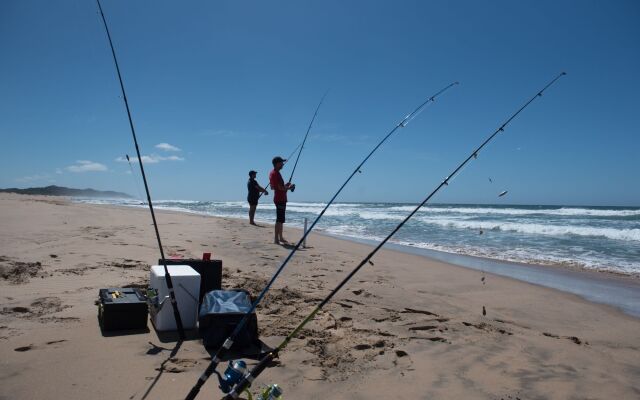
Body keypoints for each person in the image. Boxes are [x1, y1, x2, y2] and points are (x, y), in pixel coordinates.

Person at [269, 156, 295, 244]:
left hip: (281, 198)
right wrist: (289, 188)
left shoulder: (275, 173)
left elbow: (275, 187)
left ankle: (280, 238)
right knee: (279, 220)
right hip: (279, 199)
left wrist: (286, 185)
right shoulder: (275, 174)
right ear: (277, 164)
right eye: (281, 162)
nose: (283, 164)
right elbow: (278, 187)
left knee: (281, 220)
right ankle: (276, 239)